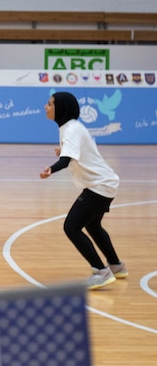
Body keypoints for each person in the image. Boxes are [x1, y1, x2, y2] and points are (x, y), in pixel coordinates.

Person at [40, 91, 126, 290]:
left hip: (99, 186)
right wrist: (64, 151)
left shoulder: (71, 129)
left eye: (49, 103)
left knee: (71, 227)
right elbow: (77, 151)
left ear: (60, 108)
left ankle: (101, 272)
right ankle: (117, 266)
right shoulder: (71, 128)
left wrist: (51, 169)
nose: (46, 106)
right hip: (105, 184)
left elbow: (67, 159)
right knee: (93, 226)